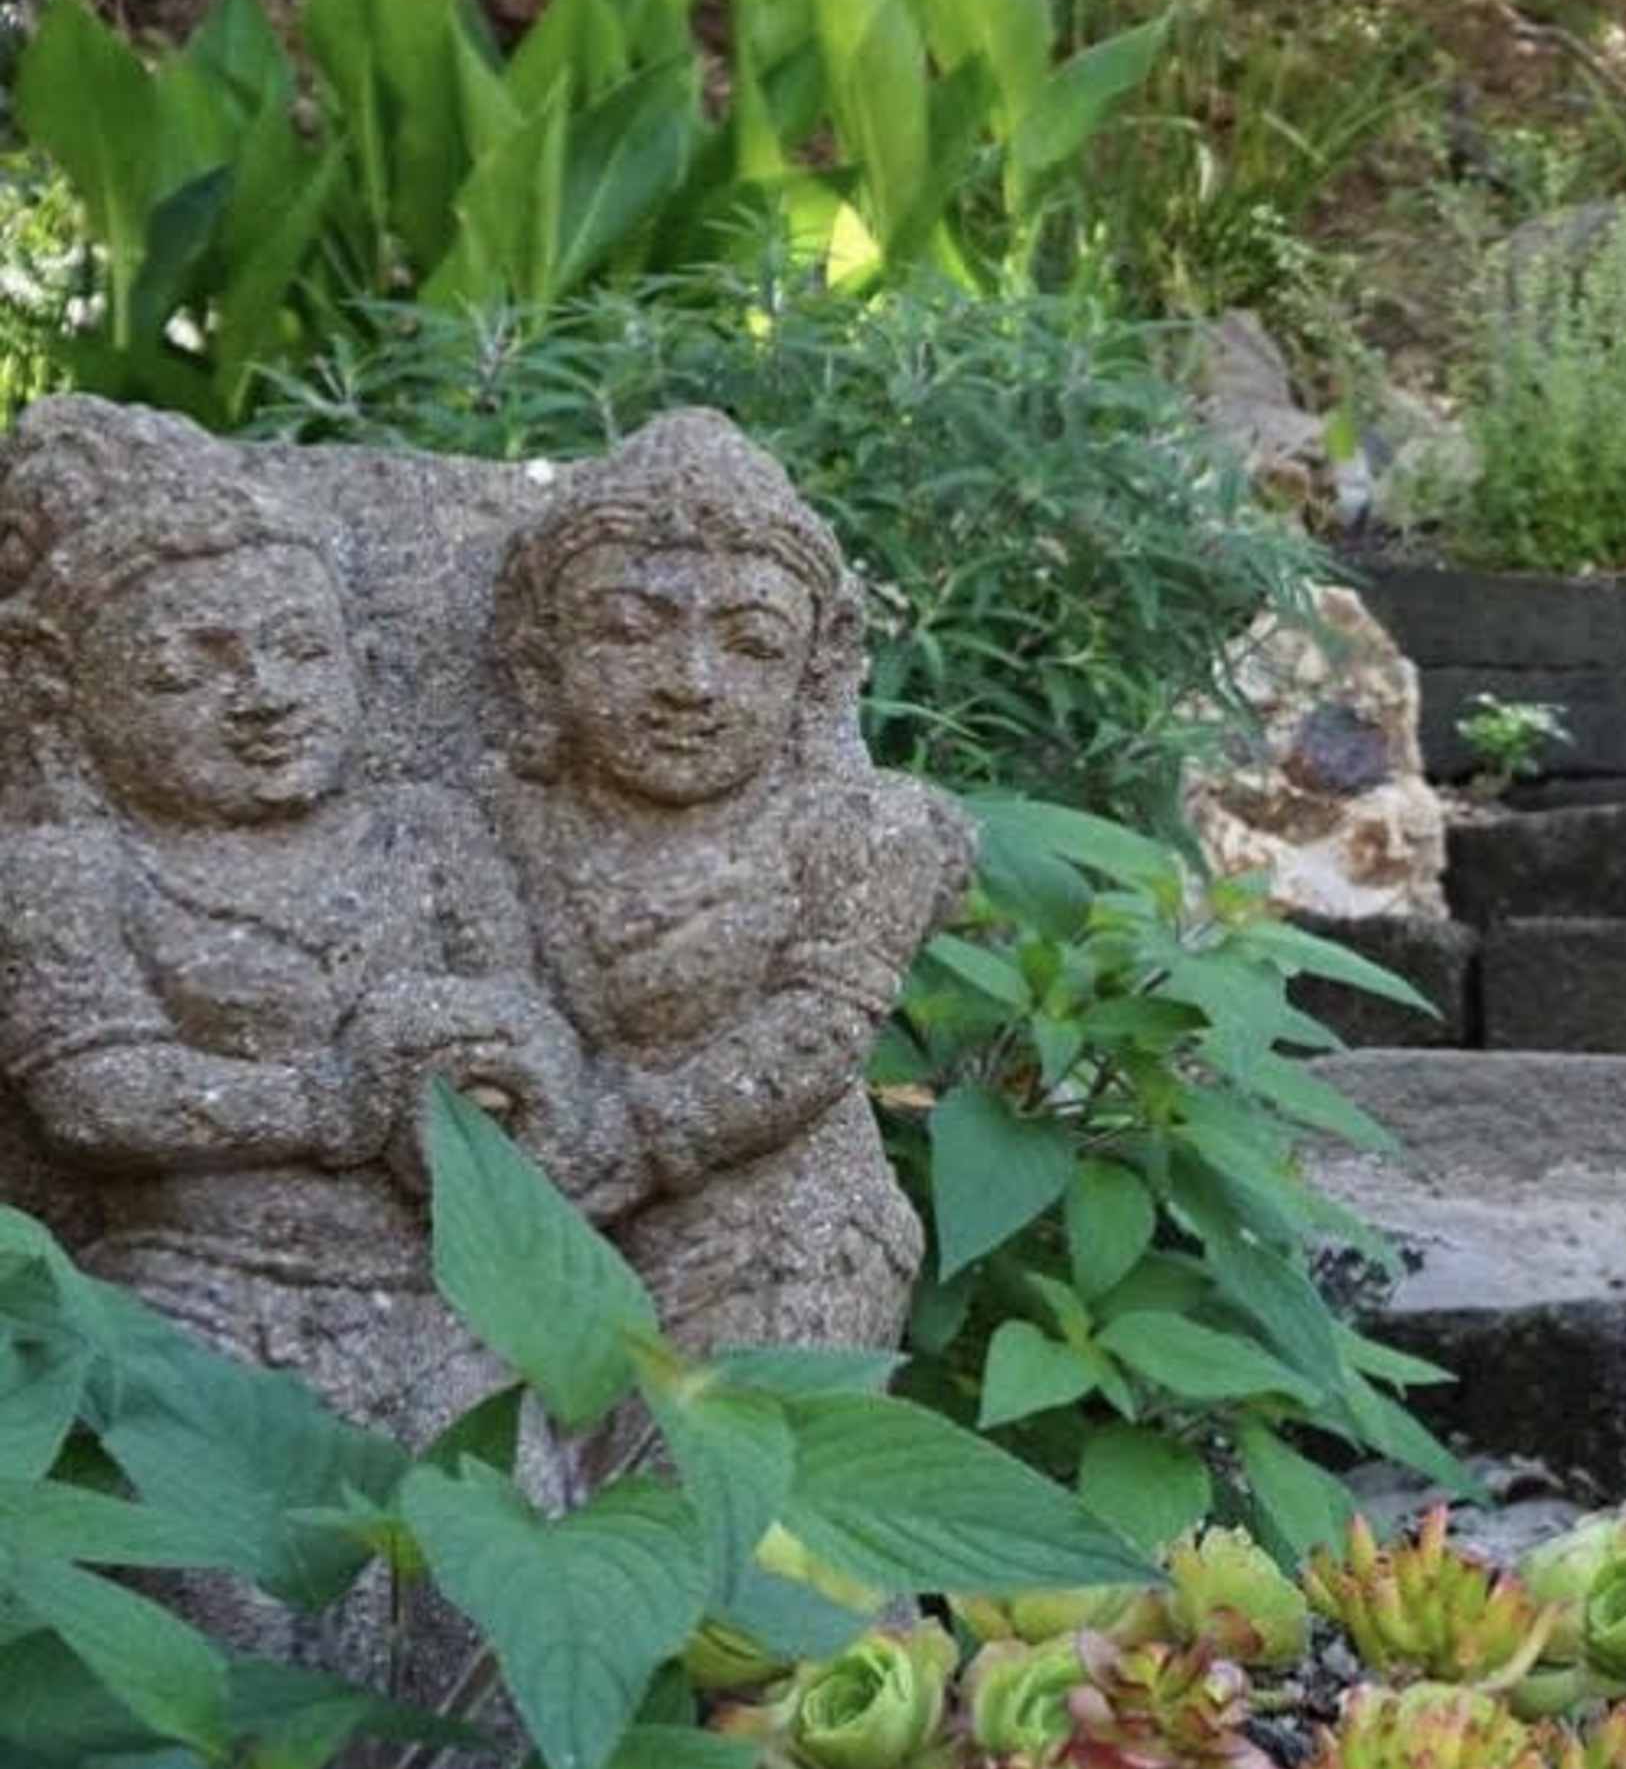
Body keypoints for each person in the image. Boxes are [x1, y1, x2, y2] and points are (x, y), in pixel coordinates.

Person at [0, 397, 587, 1436]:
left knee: (489, 1559)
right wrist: (330, 1101)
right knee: (213, 1566)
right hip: (189, 1291)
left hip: (440, 1293)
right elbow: (93, 1095)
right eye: (185, 671)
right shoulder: (69, 870)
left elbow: (531, 1030)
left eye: (301, 650)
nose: (265, 695)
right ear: (65, 698)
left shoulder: (429, 832)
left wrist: (494, 1068)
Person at [485, 408, 971, 1359]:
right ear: (539, 655)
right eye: (629, 631)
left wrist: (632, 1140)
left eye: (751, 644)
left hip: (772, 1231)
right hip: (523, 1213)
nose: (691, 683)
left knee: (718, 1476)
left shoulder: (862, 830)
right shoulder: (490, 816)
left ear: (815, 668)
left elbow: (815, 1032)